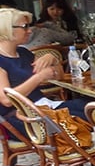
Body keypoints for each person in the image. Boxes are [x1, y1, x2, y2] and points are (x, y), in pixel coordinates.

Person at [0, 8, 88, 136]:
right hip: (21, 118)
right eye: (25, 27)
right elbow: (7, 100)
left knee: (90, 108)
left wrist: (53, 60)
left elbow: (59, 77)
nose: (29, 31)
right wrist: (39, 77)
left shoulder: (24, 53)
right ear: (7, 29)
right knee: (84, 117)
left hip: (43, 108)